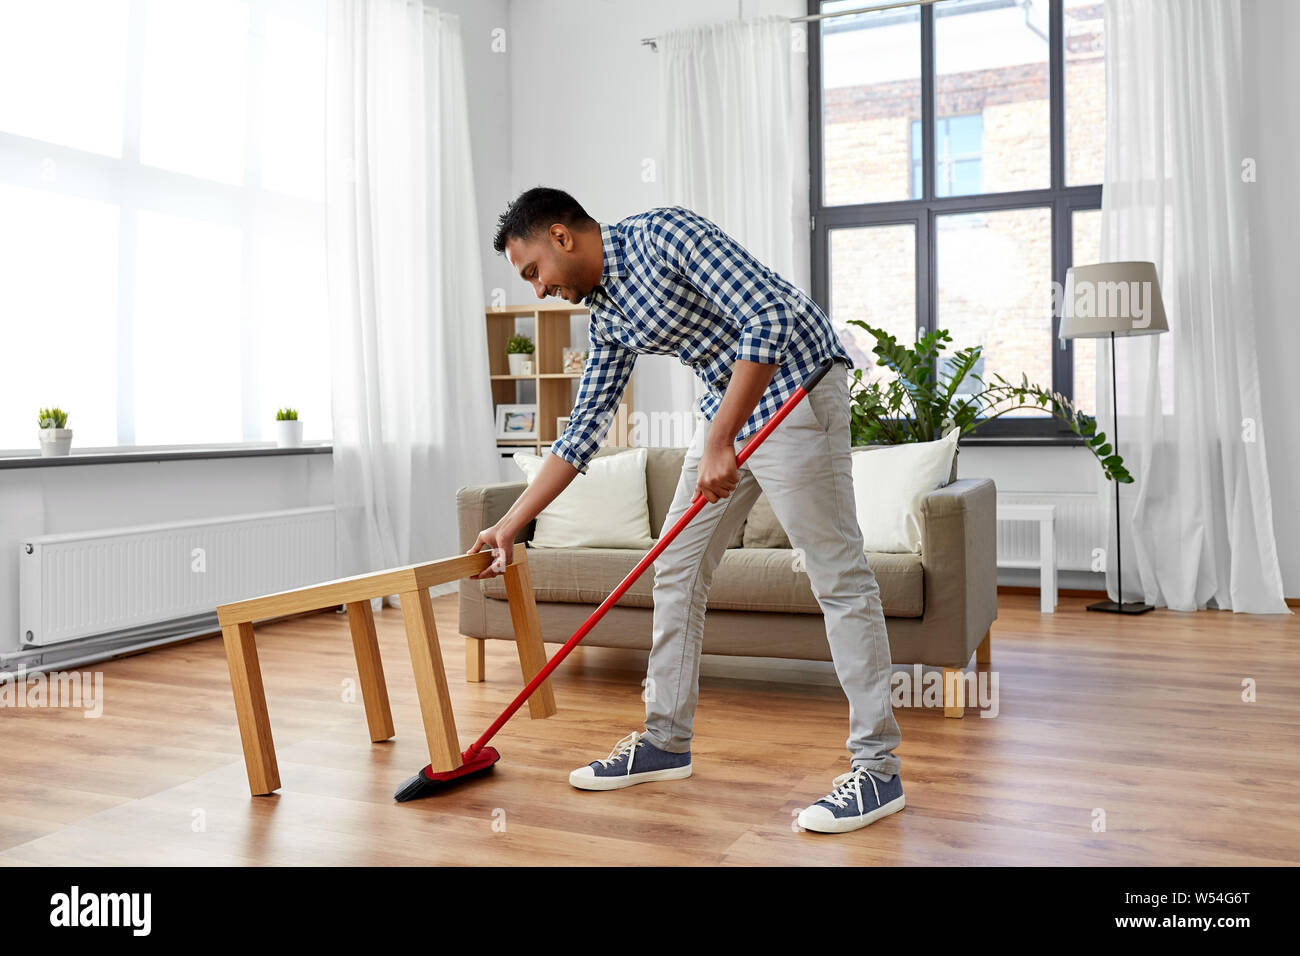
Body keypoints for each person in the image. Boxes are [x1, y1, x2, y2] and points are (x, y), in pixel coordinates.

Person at [469, 186, 903, 834]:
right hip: (731, 408)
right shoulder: (610, 317)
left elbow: (768, 319)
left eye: (533, 271)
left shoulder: (664, 235)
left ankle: (877, 772)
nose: (537, 289)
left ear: (561, 236)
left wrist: (721, 439)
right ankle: (665, 741)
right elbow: (582, 430)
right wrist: (509, 524)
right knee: (675, 566)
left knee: (837, 575)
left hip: (798, 385)